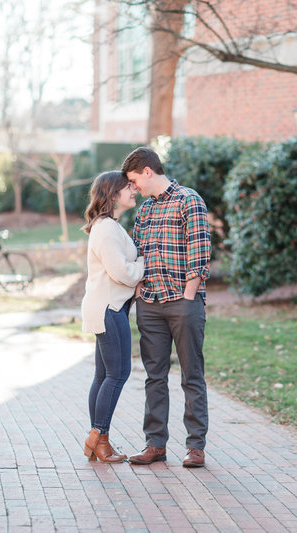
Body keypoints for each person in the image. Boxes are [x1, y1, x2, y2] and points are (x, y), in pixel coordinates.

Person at [122, 147, 212, 468]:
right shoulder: (144, 212)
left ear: (148, 172)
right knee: (154, 377)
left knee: (191, 375)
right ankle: (155, 444)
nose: (134, 188)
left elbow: (199, 251)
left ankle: (195, 447)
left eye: (134, 181)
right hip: (150, 304)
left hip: (182, 303)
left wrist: (189, 298)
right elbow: (138, 257)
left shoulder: (189, 200)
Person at [80, 171, 145, 463]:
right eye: (127, 187)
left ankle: (98, 438)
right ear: (113, 194)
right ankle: (98, 437)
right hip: (109, 309)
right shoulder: (106, 228)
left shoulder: (109, 226)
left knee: (104, 375)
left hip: (104, 306)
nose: (133, 190)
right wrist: (146, 264)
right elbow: (121, 272)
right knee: (118, 374)